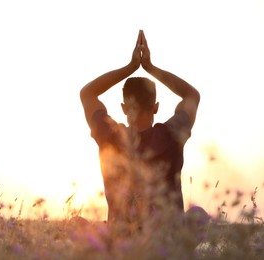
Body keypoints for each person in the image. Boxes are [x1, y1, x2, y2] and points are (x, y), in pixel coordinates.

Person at [80, 30, 202, 235]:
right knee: (198, 215)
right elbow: (191, 95)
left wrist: (130, 67)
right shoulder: (172, 135)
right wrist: (151, 68)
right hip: (167, 246)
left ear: (124, 108)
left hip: (123, 245)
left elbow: (88, 93)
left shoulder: (110, 136)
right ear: (155, 107)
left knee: (80, 225)